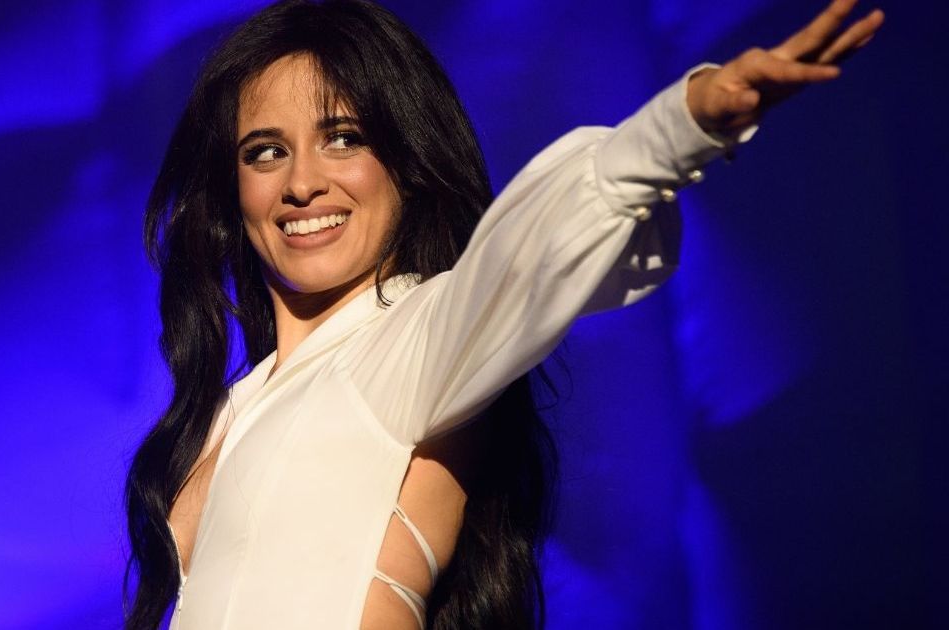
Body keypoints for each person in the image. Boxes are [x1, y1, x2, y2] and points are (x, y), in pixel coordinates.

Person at [125, 1, 884, 628]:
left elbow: (526, 255)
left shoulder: (409, 341)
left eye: (344, 138)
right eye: (265, 152)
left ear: (406, 168)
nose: (302, 183)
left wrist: (679, 128)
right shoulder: (232, 408)